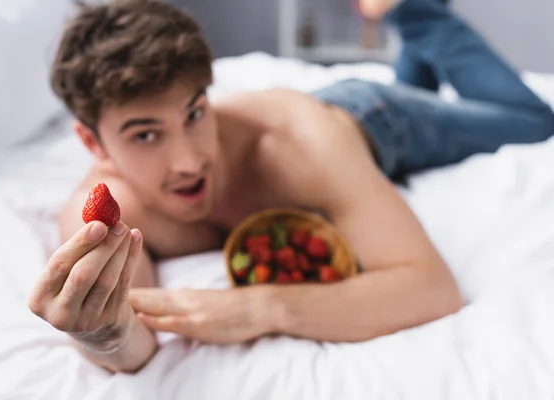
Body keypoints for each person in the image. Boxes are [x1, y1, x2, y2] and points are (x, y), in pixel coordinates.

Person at [28, 0, 554, 373]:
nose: (189, 160)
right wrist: (102, 332)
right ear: (92, 143)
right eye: (145, 134)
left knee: (531, 120)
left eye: (195, 113)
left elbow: (432, 289)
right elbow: (132, 341)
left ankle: (410, 10)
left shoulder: (299, 144)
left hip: (371, 120)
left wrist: (261, 307)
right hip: (333, 135)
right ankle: (413, 64)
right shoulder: (98, 212)